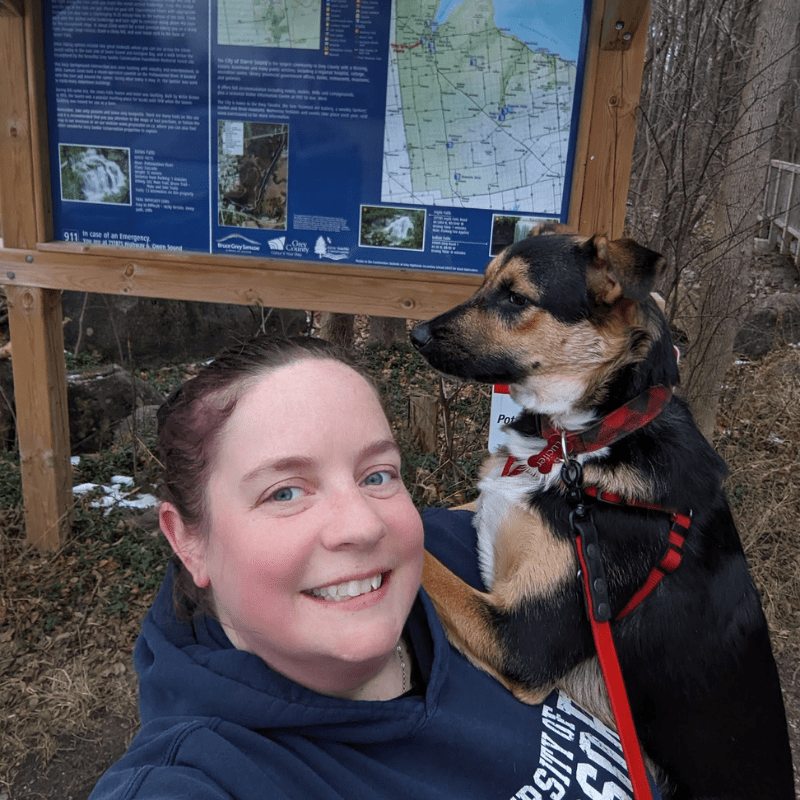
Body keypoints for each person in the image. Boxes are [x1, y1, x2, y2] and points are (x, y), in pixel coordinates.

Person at [89, 335, 662, 800]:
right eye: (286, 492)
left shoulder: (468, 556)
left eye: (377, 475)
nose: (362, 526)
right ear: (187, 540)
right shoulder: (204, 776)